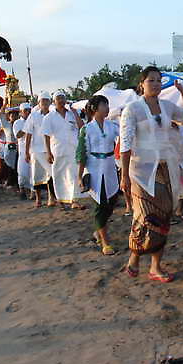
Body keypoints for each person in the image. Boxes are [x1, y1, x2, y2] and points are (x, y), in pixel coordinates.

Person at [120, 67, 183, 281]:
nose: (155, 84)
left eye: (159, 81)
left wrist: (182, 92)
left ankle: (155, 266)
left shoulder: (167, 106)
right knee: (144, 216)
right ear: (142, 83)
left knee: (163, 217)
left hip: (167, 168)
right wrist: (124, 175)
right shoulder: (132, 109)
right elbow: (125, 143)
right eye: (151, 80)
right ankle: (134, 256)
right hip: (141, 171)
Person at [76, 95, 121, 255]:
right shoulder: (86, 129)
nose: (107, 108)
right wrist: (80, 176)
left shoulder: (112, 126)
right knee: (100, 204)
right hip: (95, 169)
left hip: (110, 167)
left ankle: (98, 229)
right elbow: (82, 153)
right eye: (104, 105)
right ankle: (105, 242)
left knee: (113, 200)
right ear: (95, 108)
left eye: (108, 105)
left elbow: (125, 134)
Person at [41, 91, 85, 209]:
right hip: (58, 150)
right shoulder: (49, 117)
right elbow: (46, 135)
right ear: (54, 101)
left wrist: (75, 112)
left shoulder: (72, 114)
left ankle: (74, 200)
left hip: (73, 149)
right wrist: (48, 152)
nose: (61, 101)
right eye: (58, 98)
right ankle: (61, 199)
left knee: (75, 174)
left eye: (62, 98)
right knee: (59, 175)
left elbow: (81, 127)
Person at [24, 92, 56, 208]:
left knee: (51, 174)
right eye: (43, 101)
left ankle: (51, 197)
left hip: (50, 150)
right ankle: (38, 198)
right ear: (39, 103)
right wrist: (27, 152)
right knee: (36, 175)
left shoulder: (53, 115)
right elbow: (28, 134)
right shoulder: (33, 116)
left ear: (50, 102)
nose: (45, 103)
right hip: (36, 150)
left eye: (47, 101)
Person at [0, 105, 19, 192]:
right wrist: (4, 104)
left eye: (15, 115)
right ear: (9, 116)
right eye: (12, 115)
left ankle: (15, 183)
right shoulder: (6, 125)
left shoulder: (20, 123)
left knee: (16, 165)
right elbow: (1, 114)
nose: (14, 117)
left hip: (18, 147)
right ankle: (8, 182)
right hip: (9, 147)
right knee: (8, 165)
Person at [13, 103, 33, 200]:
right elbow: (18, 135)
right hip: (22, 151)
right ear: (21, 112)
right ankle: (22, 190)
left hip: (33, 150)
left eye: (29, 110)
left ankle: (32, 192)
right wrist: (27, 127)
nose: (28, 112)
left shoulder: (33, 120)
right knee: (22, 172)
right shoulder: (17, 123)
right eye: (26, 110)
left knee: (32, 172)